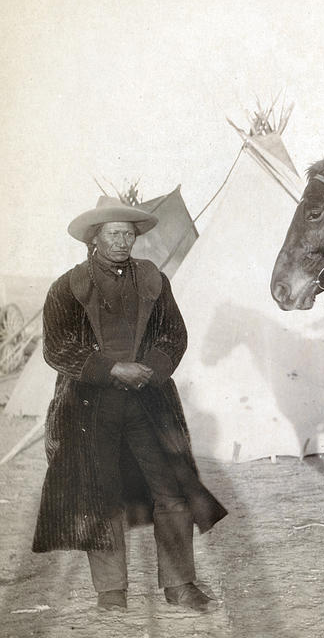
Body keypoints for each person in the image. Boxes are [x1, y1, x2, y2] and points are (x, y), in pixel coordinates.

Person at [32, 196, 227, 612]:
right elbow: (57, 347)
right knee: (100, 497)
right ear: (94, 238)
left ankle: (179, 585)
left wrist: (151, 370)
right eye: (113, 233)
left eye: (128, 233)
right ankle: (111, 593)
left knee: (172, 491)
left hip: (149, 404)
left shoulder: (153, 279)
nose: (122, 241)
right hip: (89, 408)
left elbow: (174, 335)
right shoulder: (67, 286)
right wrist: (111, 370)